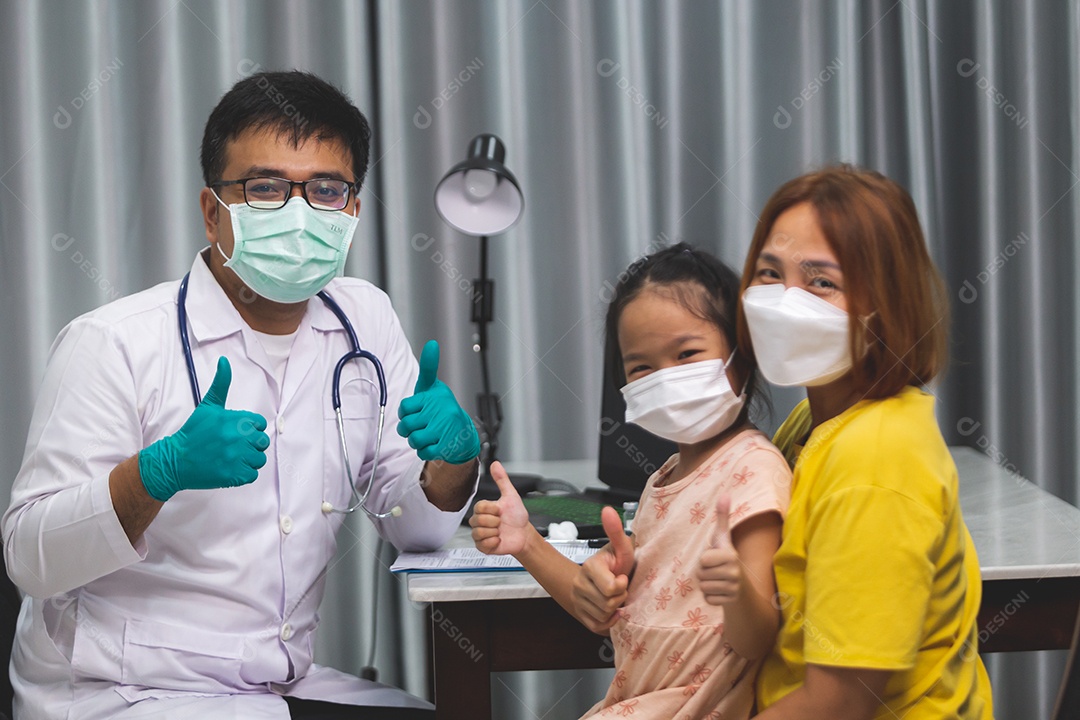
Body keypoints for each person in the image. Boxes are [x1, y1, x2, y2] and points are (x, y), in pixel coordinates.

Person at [2, 71, 480, 719]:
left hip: (267, 686)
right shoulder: (113, 342)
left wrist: (453, 462)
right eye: (265, 189)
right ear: (212, 212)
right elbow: (30, 560)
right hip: (120, 690)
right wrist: (154, 474)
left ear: (352, 211)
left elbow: (414, 529)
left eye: (326, 190)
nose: (298, 213)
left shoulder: (363, 319)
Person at [471, 244, 792, 719]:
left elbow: (758, 638)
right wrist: (526, 544)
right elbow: (599, 611)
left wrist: (737, 592)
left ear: (742, 355)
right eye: (642, 367)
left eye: (687, 354)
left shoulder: (754, 471)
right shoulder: (663, 479)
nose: (666, 378)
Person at [731, 165, 994, 718]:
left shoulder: (874, 457)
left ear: (884, 306)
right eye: (770, 273)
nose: (784, 300)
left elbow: (839, 703)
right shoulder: (812, 421)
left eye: (821, 283)